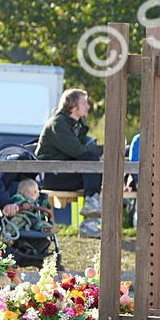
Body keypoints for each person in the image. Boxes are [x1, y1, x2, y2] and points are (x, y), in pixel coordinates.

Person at [37, 88, 103, 239]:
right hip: (50, 176)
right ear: (73, 106)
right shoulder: (58, 123)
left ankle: (90, 220)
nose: (88, 106)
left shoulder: (76, 125)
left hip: (64, 172)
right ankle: (89, 219)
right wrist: (107, 149)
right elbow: (78, 151)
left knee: (99, 171)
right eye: (84, 103)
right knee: (91, 161)